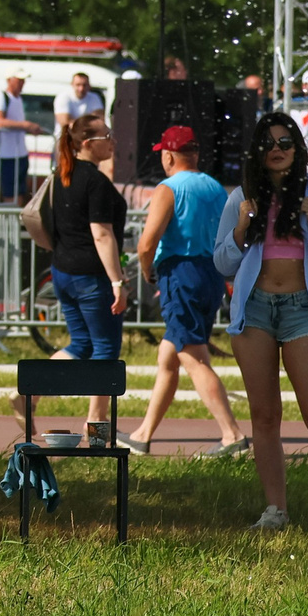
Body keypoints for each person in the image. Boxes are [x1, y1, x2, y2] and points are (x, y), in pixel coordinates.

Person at [214, 112, 308, 532]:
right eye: (268, 144)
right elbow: (222, 261)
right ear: (257, 153)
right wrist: (242, 226)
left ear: (297, 151)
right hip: (255, 310)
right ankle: (275, 510)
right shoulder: (242, 197)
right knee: (264, 416)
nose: (277, 150)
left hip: (303, 310)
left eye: (285, 143)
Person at [123, 126, 248, 458]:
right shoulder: (216, 188)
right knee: (169, 355)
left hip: (181, 273)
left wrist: (147, 272)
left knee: (192, 356)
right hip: (211, 274)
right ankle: (143, 433)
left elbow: (147, 242)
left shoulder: (168, 188)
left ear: (167, 155)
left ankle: (231, 434)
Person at [34, 116, 128, 444]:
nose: (113, 141)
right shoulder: (95, 182)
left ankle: (27, 396)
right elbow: (102, 234)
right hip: (91, 277)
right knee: (105, 349)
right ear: (88, 143)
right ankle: (97, 430)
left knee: (82, 345)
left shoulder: (63, 174)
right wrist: (118, 282)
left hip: (63, 272)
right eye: (107, 135)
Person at [0, 76, 35, 205]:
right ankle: (9, 221)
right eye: (19, 80)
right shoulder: (0, 95)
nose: (22, 83)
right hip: (6, 154)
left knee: (20, 190)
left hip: (20, 153)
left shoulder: (18, 99)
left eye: (23, 80)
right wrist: (26, 126)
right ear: (9, 80)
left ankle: (15, 220)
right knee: (9, 191)